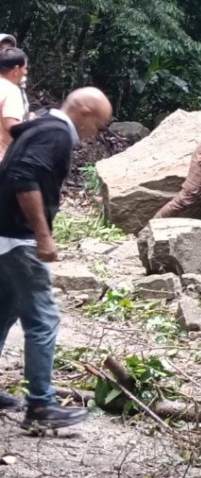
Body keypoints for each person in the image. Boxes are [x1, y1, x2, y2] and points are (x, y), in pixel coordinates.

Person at [0, 87, 112, 431]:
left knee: (5, 309)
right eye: (99, 123)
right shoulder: (57, 133)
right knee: (44, 320)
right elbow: (23, 177)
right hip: (19, 238)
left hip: (4, 233)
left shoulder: (41, 124)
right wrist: (43, 235)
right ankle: (41, 405)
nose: (97, 132)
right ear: (84, 111)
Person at [0, 48, 29, 160]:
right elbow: (11, 126)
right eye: (25, 68)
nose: (26, 72)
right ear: (16, 70)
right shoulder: (11, 90)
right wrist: (31, 122)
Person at [0, 35, 32, 120]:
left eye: (9, 49)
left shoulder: (16, 81)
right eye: (1, 49)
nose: (4, 52)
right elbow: (11, 125)